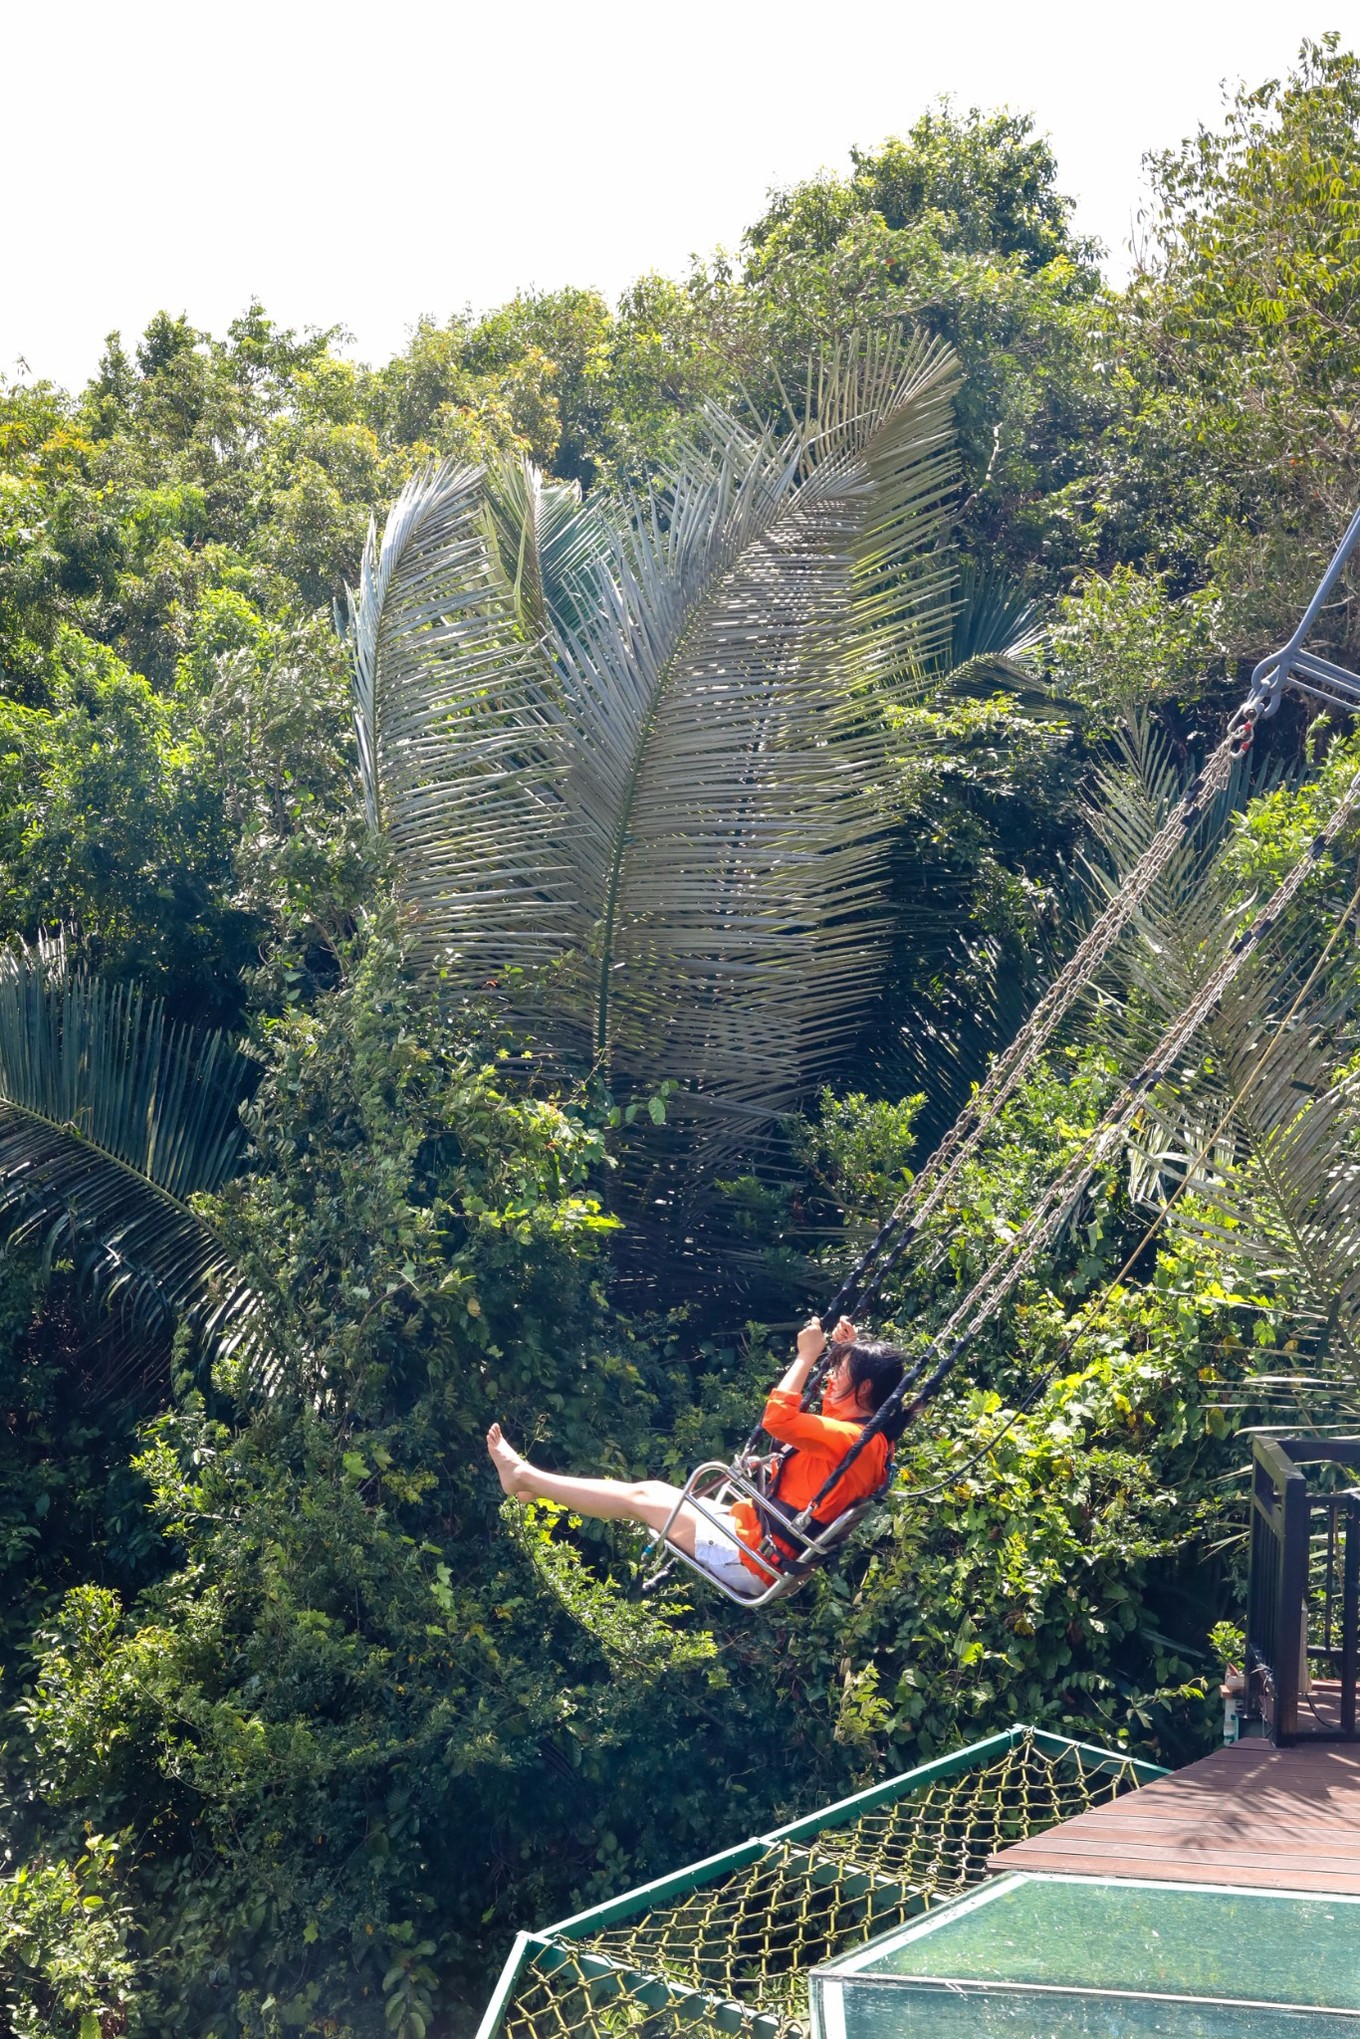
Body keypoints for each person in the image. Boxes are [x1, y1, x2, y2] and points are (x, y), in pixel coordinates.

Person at [486, 1314, 906, 1599]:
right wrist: (847, 1351)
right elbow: (837, 1410)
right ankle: (533, 1487)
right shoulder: (872, 1442)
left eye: (841, 1374)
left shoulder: (854, 1441)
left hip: (753, 1556)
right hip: (759, 1542)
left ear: (866, 1391)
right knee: (648, 1492)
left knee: (641, 1499)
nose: (830, 1378)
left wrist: (806, 1357)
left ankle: (522, 1477)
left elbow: (779, 1419)